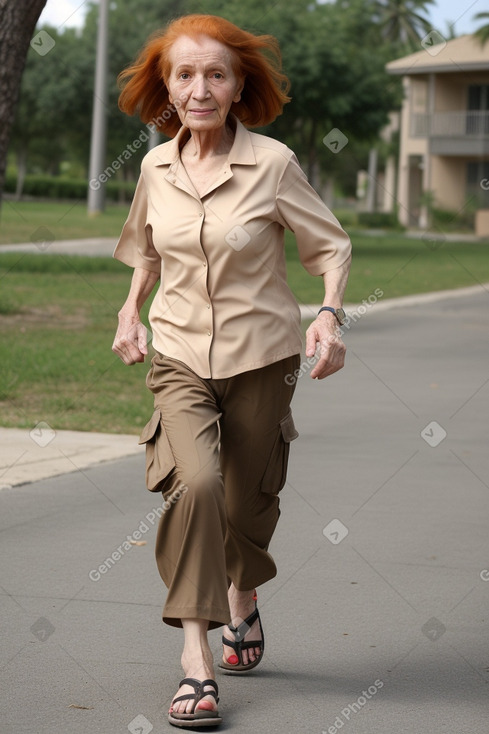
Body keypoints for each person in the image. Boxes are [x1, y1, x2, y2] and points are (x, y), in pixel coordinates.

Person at [112, 13, 351, 729]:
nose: (199, 87)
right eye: (183, 74)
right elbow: (147, 251)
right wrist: (131, 311)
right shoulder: (155, 166)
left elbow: (330, 247)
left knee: (247, 502)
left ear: (239, 84)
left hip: (262, 357)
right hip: (179, 353)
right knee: (198, 484)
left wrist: (330, 314)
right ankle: (195, 658)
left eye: (215, 73)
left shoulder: (273, 163)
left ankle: (243, 593)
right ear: (165, 86)